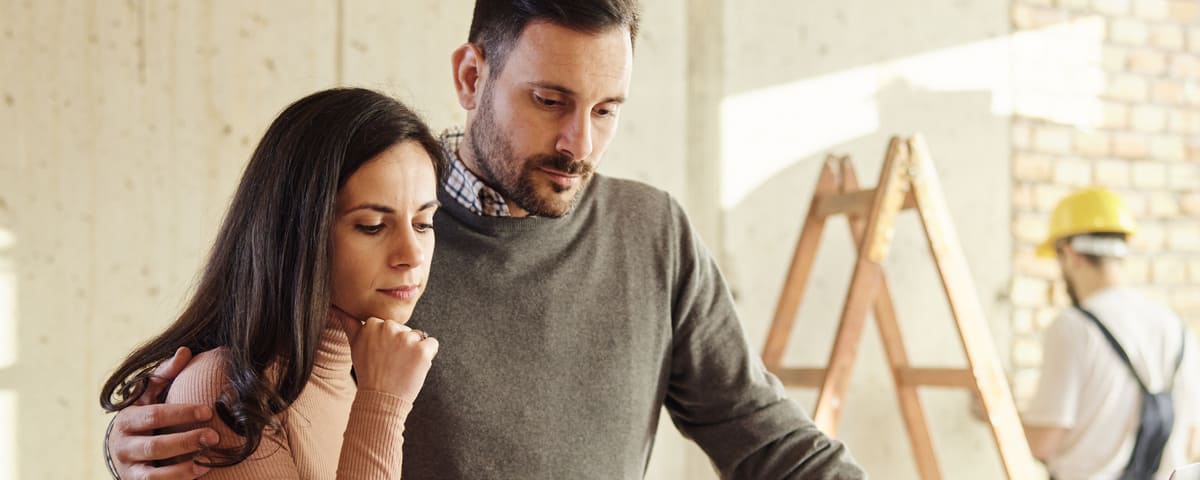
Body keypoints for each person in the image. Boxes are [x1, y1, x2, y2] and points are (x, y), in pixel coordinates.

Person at [105, 1, 865, 478]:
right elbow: (246, 382)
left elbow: (766, 441)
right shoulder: (373, 228)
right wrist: (131, 446)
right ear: (472, 76)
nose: (579, 143)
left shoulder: (653, 233)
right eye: (549, 100)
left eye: (606, 110)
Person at [99, 87, 448, 478]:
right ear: (297, 233)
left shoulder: (353, 374)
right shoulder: (226, 393)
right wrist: (382, 405)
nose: (413, 255)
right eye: (372, 226)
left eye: (423, 224)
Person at [1022, 187, 1200, 480]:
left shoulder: (1073, 327)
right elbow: (1192, 439)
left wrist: (998, 415)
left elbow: (1044, 441)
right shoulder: (1176, 327)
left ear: (1070, 253)